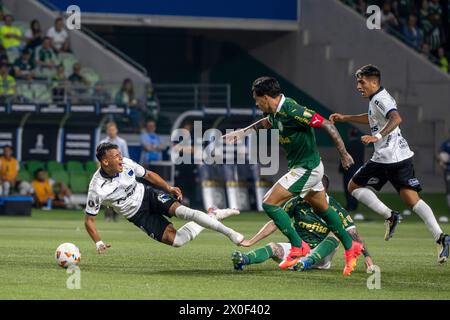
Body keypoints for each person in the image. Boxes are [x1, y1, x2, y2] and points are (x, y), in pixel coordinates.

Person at [222, 77, 363, 276]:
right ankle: (351, 246)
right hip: (306, 167)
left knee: (269, 203)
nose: (256, 103)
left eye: (257, 99)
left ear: (266, 97)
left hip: (307, 168)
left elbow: (327, 125)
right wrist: (242, 132)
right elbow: (265, 123)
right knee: (324, 210)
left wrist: (344, 153)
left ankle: (298, 246)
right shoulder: (275, 113)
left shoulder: (292, 109)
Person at [330, 64, 450, 263]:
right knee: (413, 200)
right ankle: (442, 237)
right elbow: (373, 119)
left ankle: (390, 215)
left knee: (353, 186)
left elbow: (396, 118)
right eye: (357, 82)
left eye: (362, 81)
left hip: (386, 158)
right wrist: (346, 118)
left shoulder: (381, 99)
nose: (358, 85)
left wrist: (377, 136)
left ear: (374, 81)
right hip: (402, 156)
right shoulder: (377, 98)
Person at [84, 142, 243, 253]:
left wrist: (168, 188)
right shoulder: (97, 188)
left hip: (148, 195)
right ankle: (213, 215)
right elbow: (89, 220)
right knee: (177, 241)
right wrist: (98, 242)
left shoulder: (126, 163)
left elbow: (148, 175)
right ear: (105, 161)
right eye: (116, 156)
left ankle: (230, 233)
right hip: (138, 215)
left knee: (184, 212)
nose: (121, 158)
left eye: (120, 154)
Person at [232, 175, 374, 272]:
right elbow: (275, 222)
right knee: (273, 247)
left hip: (322, 257)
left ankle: (308, 261)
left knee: (336, 233)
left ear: (322, 192)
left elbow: (352, 232)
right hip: (299, 251)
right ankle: (245, 259)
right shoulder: (297, 202)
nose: (306, 193)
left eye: (311, 191)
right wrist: (251, 241)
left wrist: (366, 255)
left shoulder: (335, 207)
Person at [99, 121, 130, 222]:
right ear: (107, 131)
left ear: (116, 130)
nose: (111, 132)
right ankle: (107, 215)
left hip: (119, 173)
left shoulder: (122, 142)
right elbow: (98, 159)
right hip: (106, 172)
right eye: (109, 130)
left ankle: (116, 216)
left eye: (113, 130)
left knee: (118, 194)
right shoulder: (102, 143)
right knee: (105, 194)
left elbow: (126, 157)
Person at [339, 128, 365, 212]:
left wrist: (341, 168)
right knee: (355, 188)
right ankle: (354, 205)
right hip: (358, 170)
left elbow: (344, 158)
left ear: (350, 135)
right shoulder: (361, 145)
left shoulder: (347, 145)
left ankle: (350, 205)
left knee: (348, 188)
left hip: (348, 170)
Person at [437, 133, 450, 215]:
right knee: (449, 190)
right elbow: (440, 155)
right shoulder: (446, 144)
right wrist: (441, 161)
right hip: (449, 170)